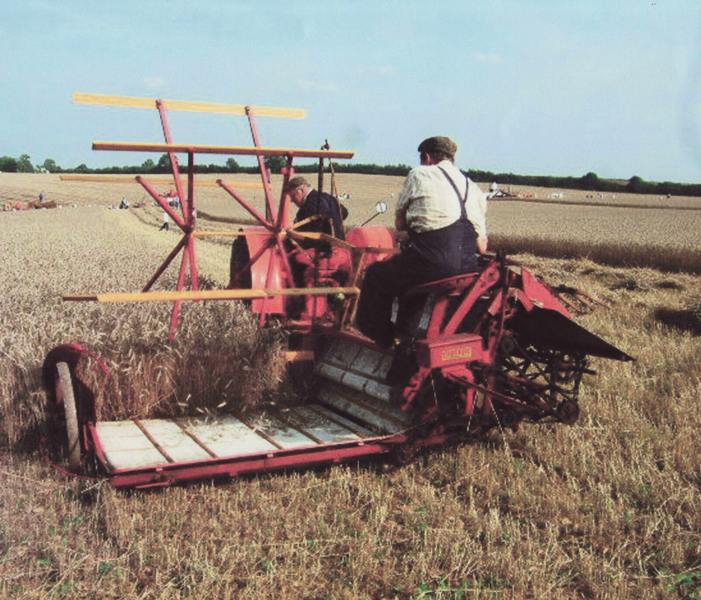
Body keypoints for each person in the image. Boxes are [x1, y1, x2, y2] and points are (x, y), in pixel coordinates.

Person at [356, 136, 487, 348]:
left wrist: (417, 227)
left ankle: (383, 338)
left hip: (432, 265)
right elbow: (482, 247)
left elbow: (399, 223)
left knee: (376, 275)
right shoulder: (472, 187)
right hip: (467, 271)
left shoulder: (420, 174)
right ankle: (404, 336)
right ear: (452, 158)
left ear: (426, 157)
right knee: (414, 284)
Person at [285, 176, 348, 241]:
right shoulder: (328, 197)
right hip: (341, 245)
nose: (292, 200)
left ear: (301, 190)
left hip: (322, 248)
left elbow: (302, 236)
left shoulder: (304, 209)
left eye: (292, 196)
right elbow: (345, 213)